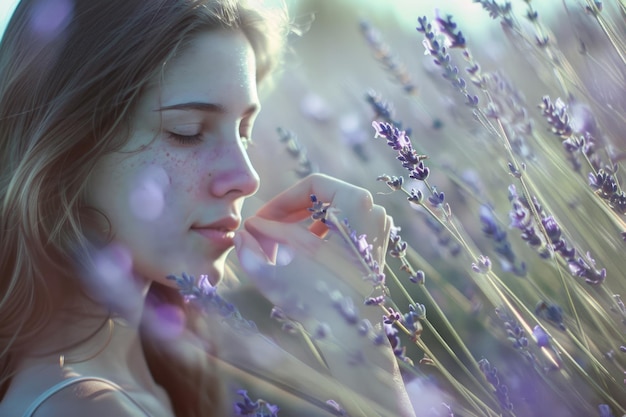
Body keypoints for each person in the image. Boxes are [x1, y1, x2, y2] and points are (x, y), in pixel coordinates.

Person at [0, 0, 415, 416]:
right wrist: (363, 351)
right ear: (69, 149)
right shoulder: (82, 409)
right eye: (188, 132)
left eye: (244, 132)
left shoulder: (151, 380)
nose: (247, 177)